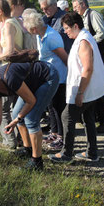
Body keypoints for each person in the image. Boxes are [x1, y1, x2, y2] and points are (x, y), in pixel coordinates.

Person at [0, 61, 60, 171]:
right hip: (33, 82)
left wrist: (17, 119)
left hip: (48, 76)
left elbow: (31, 101)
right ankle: (28, 149)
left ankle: (37, 162)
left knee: (31, 119)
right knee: (15, 113)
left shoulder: (9, 78)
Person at [48, 12, 104, 164]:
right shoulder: (83, 37)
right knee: (87, 118)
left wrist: (80, 93)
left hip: (86, 89)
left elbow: (87, 68)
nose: (65, 31)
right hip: (91, 88)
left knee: (66, 116)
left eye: (67, 28)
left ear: (76, 26)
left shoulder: (83, 42)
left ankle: (66, 154)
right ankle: (91, 152)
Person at [22, 9, 68, 150]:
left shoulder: (51, 37)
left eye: (30, 30)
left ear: (34, 28)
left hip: (58, 77)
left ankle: (61, 137)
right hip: (48, 75)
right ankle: (54, 133)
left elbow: (64, 57)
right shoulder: (40, 35)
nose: (29, 32)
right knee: (51, 106)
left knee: (58, 107)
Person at [72, 0, 104, 132]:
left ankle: (103, 120)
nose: (74, 10)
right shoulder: (82, 18)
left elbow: (102, 33)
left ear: (83, 5)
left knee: (95, 83)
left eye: (76, 7)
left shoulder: (94, 15)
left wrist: (87, 43)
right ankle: (92, 117)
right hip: (90, 54)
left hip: (98, 53)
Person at [0, 0, 24, 150]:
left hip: (9, 71)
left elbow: (10, 51)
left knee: (3, 110)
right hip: (15, 70)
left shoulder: (8, 25)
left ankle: (10, 141)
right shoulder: (13, 22)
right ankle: (21, 140)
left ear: (0, 11)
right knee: (17, 108)